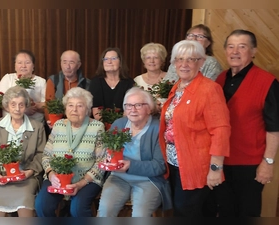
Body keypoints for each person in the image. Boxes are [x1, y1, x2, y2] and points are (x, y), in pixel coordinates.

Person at [159, 40, 231, 217]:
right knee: (192, 210)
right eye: (179, 59)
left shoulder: (209, 89)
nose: (184, 64)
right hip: (174, 162)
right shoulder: (178, 87)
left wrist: (215, 168)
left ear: (201, 62)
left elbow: (221, 129)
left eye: (191, 59)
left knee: (184, 211)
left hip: (196, 165)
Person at [214, 29, 279, 217]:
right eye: (231, 46)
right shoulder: (220, 79)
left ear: (253, 51)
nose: (235, 51)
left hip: (250, 164)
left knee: (247, 213)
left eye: (242, 47)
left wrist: (268, 163)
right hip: (221, 161)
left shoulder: (267, 82)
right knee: (225, 211)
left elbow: (274, 129)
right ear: (225, 50)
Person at [97, 87, 172, 217]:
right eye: (129, 105)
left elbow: (159, 166)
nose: (133, 110)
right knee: (104, 212)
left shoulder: (157, 128)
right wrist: (106, 158)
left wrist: (130, 165)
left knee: (139, 216)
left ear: (149, 108)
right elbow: (106, 149)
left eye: (138, 105)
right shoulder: (119, 124)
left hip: (148, 180)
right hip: (118, 178)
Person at [35, 87, 105, 217]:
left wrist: (81, 183)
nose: (74, 110)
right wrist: (51, 174)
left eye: (80, 106)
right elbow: (46, 156)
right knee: (41, 205)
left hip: (87, 179)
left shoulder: (97, 127)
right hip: (57, 177)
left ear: (87, 109)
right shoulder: (58, 125)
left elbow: (101, 161)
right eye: (70, 105)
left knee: (77, 209)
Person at [0, 86, 46, 217]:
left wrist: (30, 172)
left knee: (25, 201)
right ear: (6, 106)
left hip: (26, 177)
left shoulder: (37, 127)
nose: (17, 108)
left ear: (26, 106)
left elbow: (41, 154)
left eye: (21, 105)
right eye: (13, 104)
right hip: (0, 176)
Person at [0, 50, 46, 123]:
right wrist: (24, 110)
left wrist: (34, 107)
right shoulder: (8, 78)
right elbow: (0, 102)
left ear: (33, 66)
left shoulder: (41, 81)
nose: (23, 66)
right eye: (19, 63)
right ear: (15, 66)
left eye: (27, 62)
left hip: (35, 124)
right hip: (10, 123)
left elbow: (46, 105)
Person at [89, 47, 134, 120]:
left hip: (123, 125)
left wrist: (118, 127)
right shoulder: (96, 82)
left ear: (120, 62)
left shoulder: (129, 82)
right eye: (106, 59)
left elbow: (129, 109)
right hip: (101, 124)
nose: (109, 62)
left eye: (113, 58)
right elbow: (96, 110)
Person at [45, 50, 90, 120]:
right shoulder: (53, 80)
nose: (67, 66)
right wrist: (50, 121)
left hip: (79, 121)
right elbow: (48, 105)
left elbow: (88, 108)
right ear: (61, 63)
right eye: (64, 62)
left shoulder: (86, 83)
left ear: (78, 65)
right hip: (57, 121)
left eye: (71, 62)